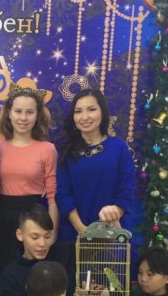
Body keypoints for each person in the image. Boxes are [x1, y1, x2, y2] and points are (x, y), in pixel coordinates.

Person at [0, 83, 57, 279]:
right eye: (18, 111)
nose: (23, 118)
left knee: (33, 279)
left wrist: (51, 234)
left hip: (34, 222)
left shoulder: (47, 149)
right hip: (2, 220)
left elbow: (52, 197)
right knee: (2, 277)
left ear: (37, 115)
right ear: (9, 113)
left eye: (29, 112)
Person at [56, 89, 135, 242]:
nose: (84, 117)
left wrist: (114, 214)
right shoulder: (67, 150)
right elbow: (62, 193)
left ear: (102, 112)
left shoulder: (119, 147)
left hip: (113, 232)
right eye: (78, 111)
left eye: (91, 109)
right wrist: (82, 229)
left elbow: (127, 189)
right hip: (74, 234)